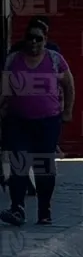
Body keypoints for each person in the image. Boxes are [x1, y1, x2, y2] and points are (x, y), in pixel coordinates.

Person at [0, 21, 73, 226]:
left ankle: (44, 211)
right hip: (18, 121)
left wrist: (67, 111)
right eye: (30, 37)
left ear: (45, 40)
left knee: (44, 167)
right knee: (19, 165)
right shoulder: (13, 60)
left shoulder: (55, 60)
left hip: (48, 122)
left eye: (38, 38)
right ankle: (17, 209)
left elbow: (69, 85)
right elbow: (4, 89)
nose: (33, 42)